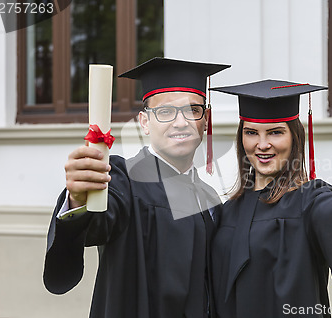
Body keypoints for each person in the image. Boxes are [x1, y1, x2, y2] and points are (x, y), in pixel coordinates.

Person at [43, 57, 230, 318]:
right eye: (165, 112)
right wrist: (78, 198)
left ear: (205, 119)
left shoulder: (209, 199)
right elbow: (99, 220)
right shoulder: (123, 179)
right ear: (144, 122)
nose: (180, 122)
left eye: (192, 110)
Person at [209, 79, 332, 318]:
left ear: (294, 137)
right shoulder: (225, 212)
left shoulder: (308, 199)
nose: (262, 144)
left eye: (275, 132)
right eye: (251, 132)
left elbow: (329, 210)